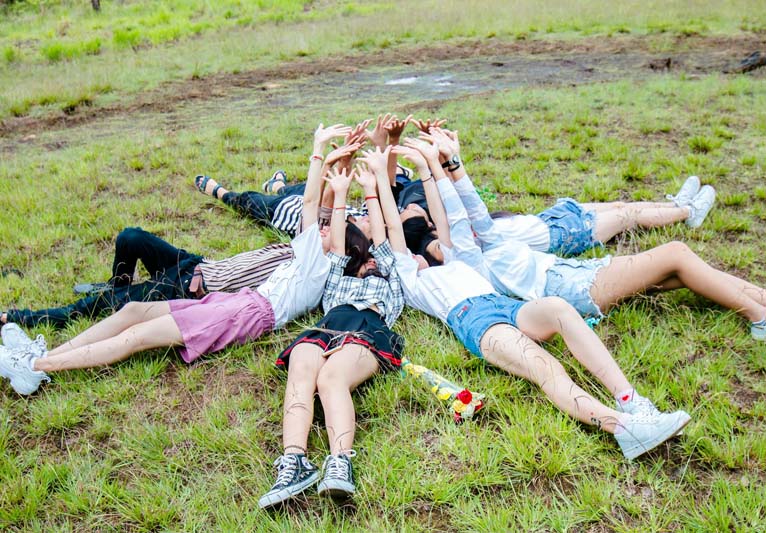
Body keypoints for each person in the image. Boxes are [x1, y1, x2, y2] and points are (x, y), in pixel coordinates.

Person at [0, 123, 361, 395]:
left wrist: (318, 149)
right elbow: (326, 203)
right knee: (131, 313)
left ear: (339, 243)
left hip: (246, 312)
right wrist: (343, 159)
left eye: (332, 229)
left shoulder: (319, 265)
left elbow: (317, 206)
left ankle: (34, 365)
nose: (322, 228)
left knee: (137, 336)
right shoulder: (310, 258)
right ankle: (46, 355)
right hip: (233, 301)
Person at [383, 143, 689, 460]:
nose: (415, 256)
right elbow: (391, 228)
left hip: (503, 304)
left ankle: (631, 400)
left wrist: (429, 166)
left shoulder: (458, 257)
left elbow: (455, 216)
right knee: (546, 368)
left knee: (558, 308)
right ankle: (625, 429)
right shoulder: (411, 280)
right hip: (476, 322)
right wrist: (378, 176)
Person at [415, 128, 766, 340]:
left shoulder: (487, 240)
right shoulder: (468, 260)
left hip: (575, 277)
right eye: (437, 243)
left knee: (678, 272)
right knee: (675, 253)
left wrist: (452, 161)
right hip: (574, 288)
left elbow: (471, 209)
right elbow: (458, 219)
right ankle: (758, 317)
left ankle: (761, 300)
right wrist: (431, 167)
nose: (443, 234)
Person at [259, 161, 404, 509]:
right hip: (327, 325)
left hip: (368, 326)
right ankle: (294, 462)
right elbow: (337, 239)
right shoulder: (339, 273)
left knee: (332, 378)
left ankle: (341, 461)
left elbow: (385, 231)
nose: (371, 257)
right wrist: (339, 194)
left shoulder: (391, 269)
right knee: (302, 369)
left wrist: (372, 188)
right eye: (363, 253)